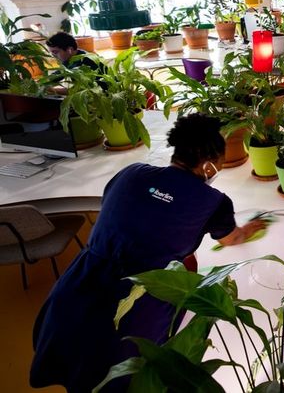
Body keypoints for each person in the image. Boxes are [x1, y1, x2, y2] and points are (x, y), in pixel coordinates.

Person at [30, 114, 265, 392]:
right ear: (208, 165)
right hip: (138, 299)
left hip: (80, 284)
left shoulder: (132, 173)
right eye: (221, 163)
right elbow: (230, 238)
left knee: (74, 360)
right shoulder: (214, 202)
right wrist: (250, 229)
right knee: (126, 375)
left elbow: (115, 211)